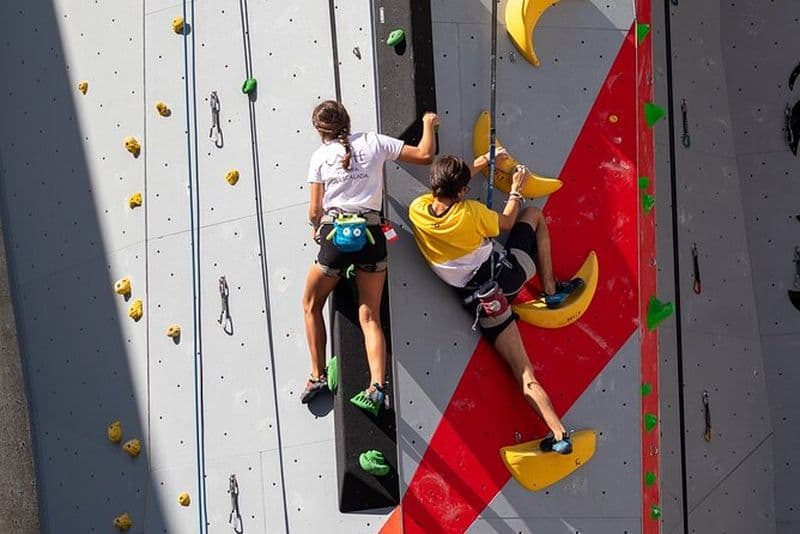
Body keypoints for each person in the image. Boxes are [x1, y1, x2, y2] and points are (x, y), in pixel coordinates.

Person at [408, 153, 582, 453]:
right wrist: (515, 187)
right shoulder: (472, 212)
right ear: (462, 191)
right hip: (508, 277)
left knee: (523, 371)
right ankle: (551, 289)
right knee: (533, 216)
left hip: (483, 305)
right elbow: (507, 221)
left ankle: (559, 435)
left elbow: (450, 190)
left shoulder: (418, 210)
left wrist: (481, 163)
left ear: (433, 184)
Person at [301, 100, 439, 414]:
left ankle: (317, 376)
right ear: (347, 120)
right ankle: (377, 387)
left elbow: (314, 210)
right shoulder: (374, 142)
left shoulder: (320, 157)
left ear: (319, 131)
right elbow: (424, 155)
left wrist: (315, 229)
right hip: (371, 236)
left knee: (311, 304)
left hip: (336, 239)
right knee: (370, 315)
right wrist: (429, 123)